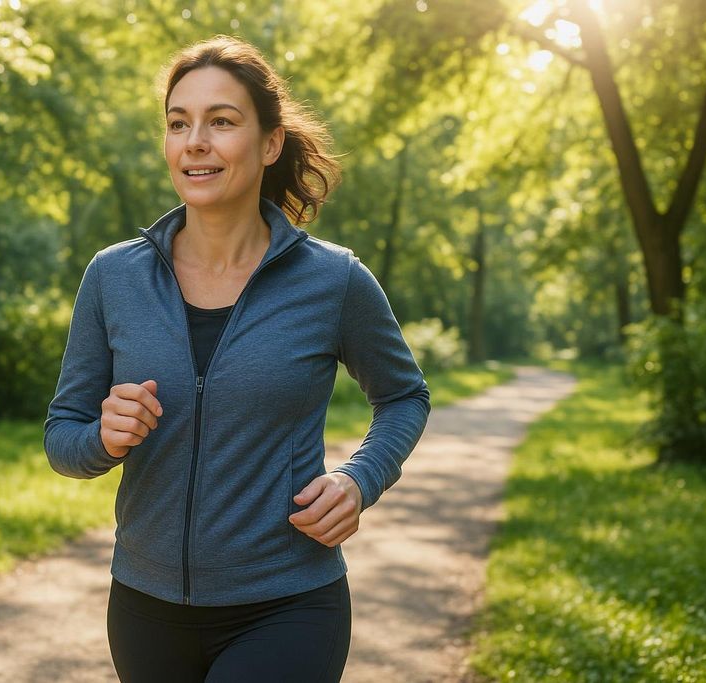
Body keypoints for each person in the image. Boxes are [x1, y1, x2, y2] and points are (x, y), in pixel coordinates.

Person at [43, 34, 430, 683]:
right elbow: (62, 436)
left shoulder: (333, 280)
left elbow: (403, 395)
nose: (195, 140)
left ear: (270, 142)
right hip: (144, 607)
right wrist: (102, 440)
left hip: (289, 603)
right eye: (178, 123)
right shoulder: (114, 277)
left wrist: (360, 479)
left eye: (221, 121)